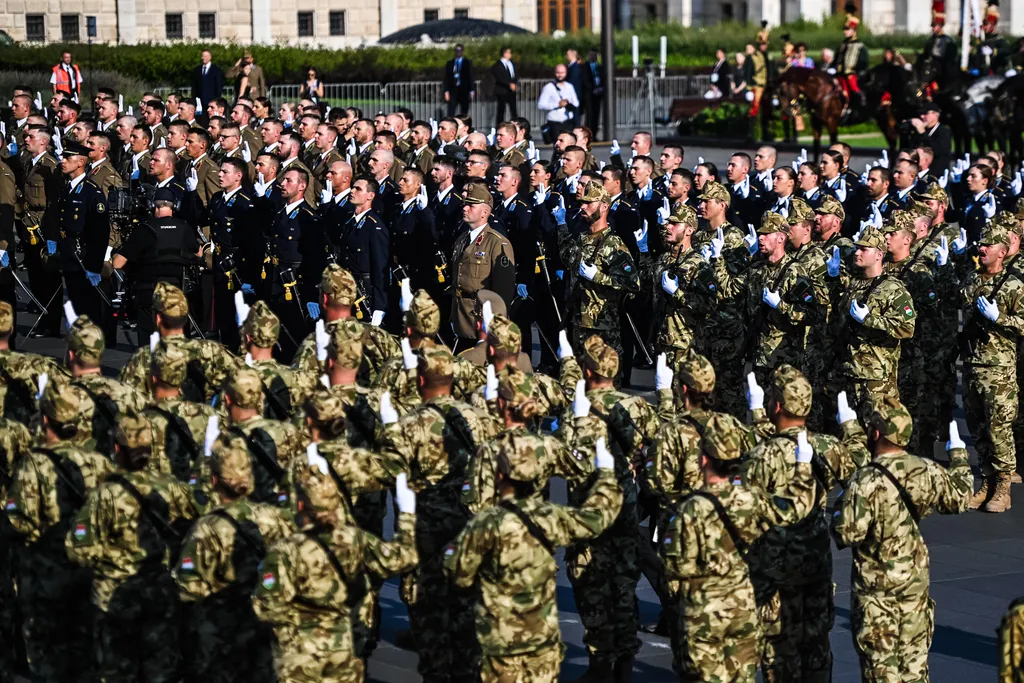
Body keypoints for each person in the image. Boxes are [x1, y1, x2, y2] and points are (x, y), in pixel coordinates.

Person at [445, 429, 621, 683]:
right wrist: (606, 476)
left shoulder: (485, 524)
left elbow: (456, 573)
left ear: (501, 474)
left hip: (501, 646)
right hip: (541, 647)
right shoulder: (550, 517)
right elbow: (597, 517)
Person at [660, 412, 816, 683]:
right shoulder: (752, 500)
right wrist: (803, 467)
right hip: (743, 609)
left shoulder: (690, 510)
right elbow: (795, 507)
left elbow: (674, 569)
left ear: (704, 459)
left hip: (704, 615)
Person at [831, 397, 971, 682]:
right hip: (914, 590)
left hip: (876, 595)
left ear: (876, 433)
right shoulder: (926, 470)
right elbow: (960, 497)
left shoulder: (865, 480)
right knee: (915, 670)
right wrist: (958, 455)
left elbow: (847, 532)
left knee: (881, 672)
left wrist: (839, 506)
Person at [65, 413, 198, 683]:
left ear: (116, 448)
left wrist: (109, 560)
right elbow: (195, 529)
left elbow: (77, 550)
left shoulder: (105, 495)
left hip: (114, 600)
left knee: (117, 673)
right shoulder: (172, 488)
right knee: (161, 671)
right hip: (160, 594)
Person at [959, 218, 1024, 513]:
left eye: (989, 245)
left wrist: (1001, 318)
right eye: (981, 244)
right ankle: (985, 481)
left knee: (999, 429)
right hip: (973, 364)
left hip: (999, 370)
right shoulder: (973, 281)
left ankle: (1002, 487)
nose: (982, 249)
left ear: (1002, 251)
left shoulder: (1013, 285)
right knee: (978, 429)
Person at [112, 188, 200, 346]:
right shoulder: (185, 228)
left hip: (149, 294)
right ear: (175, 206)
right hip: (178, 291)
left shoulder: (145, 229)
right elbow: (198, 253)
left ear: (154, 206)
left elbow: (118, 263)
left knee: (149, 345)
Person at [450, 182, 517, 343]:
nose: (465, 208)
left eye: (471, 205)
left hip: (481, 318)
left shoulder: (497, 242)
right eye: (465, 205)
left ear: (484, 212)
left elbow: (503, 290)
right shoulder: (462, 239)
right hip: (461, 314)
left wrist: (495, 322)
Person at [837, 4, 869, 110]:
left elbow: (863, 62)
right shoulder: (842, 45)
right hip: (840, 75)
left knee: (854, 87)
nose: (845, 32)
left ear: (854, 31)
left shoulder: (860, 46)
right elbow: (837, 59)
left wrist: (855, 70)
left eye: (847, 29)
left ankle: (862, 101)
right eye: (845, 29)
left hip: (853, 74)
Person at [538, 64, 580, 143]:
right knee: (558, 147)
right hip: (555, 123)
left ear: (566, 73)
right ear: (554, 73)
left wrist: (567, 103)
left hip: (568, 122)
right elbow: (541, 105)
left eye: (562, 73)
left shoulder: (569, 87)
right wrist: (557, 105)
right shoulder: (548, 87)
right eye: (558, 73)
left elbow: (576, 103)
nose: (560, 75)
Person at [443, 44, 475, 116]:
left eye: (460, 51)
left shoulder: (467, 62)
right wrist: (446, 91)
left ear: (462, 51)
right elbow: (447, 78)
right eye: (457, 51)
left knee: (464, 110)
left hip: (464, 89)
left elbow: (471, 76)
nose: (458, 52)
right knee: (451, 110)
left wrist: (472, 90)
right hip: (453, 89)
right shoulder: (450, 63)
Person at [491, 47, 518, 130]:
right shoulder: (497, 65)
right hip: (502, 91)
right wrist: (508, 84)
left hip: (511, 91)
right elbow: (499, 77)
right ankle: (499, 127)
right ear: (504, 53)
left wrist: (514, 84)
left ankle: (515, 126)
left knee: (513, 110)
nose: (510, 55)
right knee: (501, 110)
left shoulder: (511, 64)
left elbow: (514, 75)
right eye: (508, 53)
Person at [192, 50, 224, 114]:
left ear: (210, 57)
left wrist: (217, 100)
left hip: (211, 100)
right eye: (202, 56)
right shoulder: (197, 69)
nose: (203, 58)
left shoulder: (216, 70)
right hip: (199, 101)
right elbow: (194, 85)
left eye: (205, 56)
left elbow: (218, 85)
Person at [582, 48, 604, 134]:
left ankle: (594, 133)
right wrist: (592, 88)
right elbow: (585, 80)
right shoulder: (585, 67)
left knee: (596, 114)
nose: (593, 57)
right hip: (589, 95)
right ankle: (588, 133)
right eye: (591, 55)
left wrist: (600, 88)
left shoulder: (599, 67)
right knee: (589, 115)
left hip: (597, 95)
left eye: (595, 55)